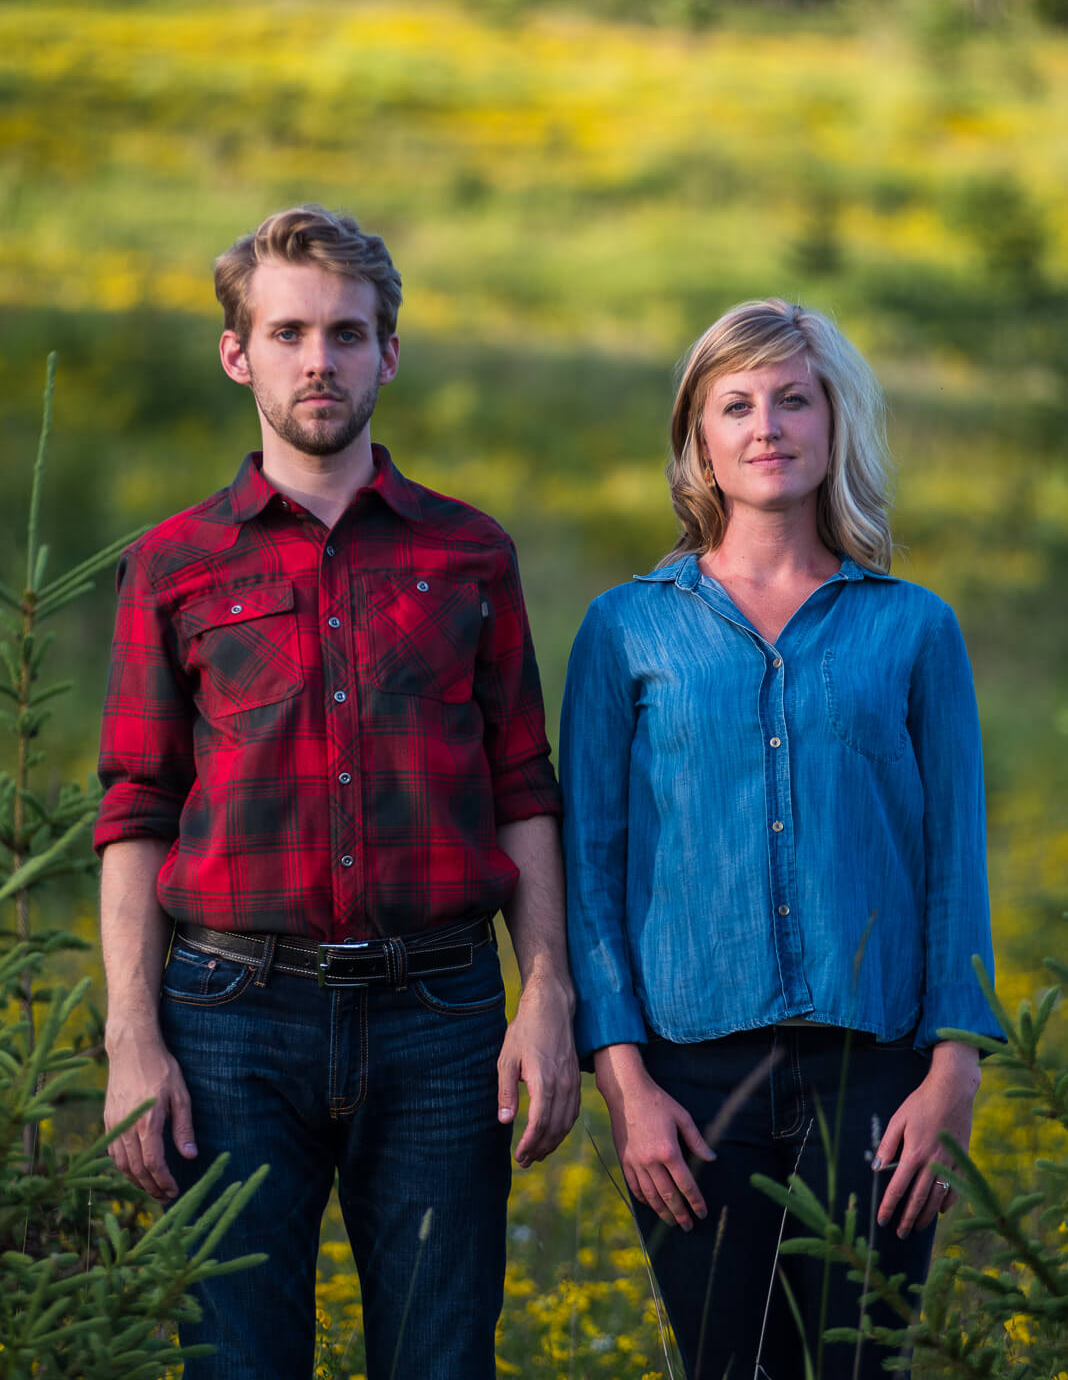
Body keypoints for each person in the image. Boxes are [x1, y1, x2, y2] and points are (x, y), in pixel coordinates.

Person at [95, 203, 579, 1380]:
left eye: (349, 334)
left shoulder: (469, 554)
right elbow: (135, 804)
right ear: (238, 352)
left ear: (389, 354)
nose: (321, 360)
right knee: (238, 1360)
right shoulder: (175, 563)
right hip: (228, 1020)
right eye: (291, 331)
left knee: (440, 1357)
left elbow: (524, 781)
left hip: (442, 1020)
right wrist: (130, 1034)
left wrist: (548, 989)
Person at [560, 298, 1001, 1380]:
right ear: (697, 437)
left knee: (859, 1365)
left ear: (834, 422)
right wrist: (626, 1088)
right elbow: (589, 873)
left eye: (794, 399)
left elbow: (956, 865)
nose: (768, 426)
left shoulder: (913, 626)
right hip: (693, 1082)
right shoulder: (625, 629)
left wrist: (953, 1074)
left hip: (879, 1078)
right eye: (738, 403)